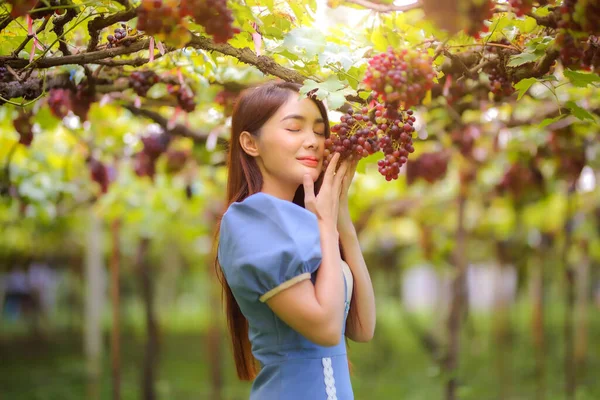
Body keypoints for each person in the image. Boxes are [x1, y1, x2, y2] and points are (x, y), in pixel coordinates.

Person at [215, 80, 376, 400]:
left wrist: (341, 216)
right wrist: (327, 224)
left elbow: (362, 328)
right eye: (294, 128)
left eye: (319, 131)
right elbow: (327, 330)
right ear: (250, 143)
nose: (313, 142)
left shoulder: (304, 221)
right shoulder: (251, 219)